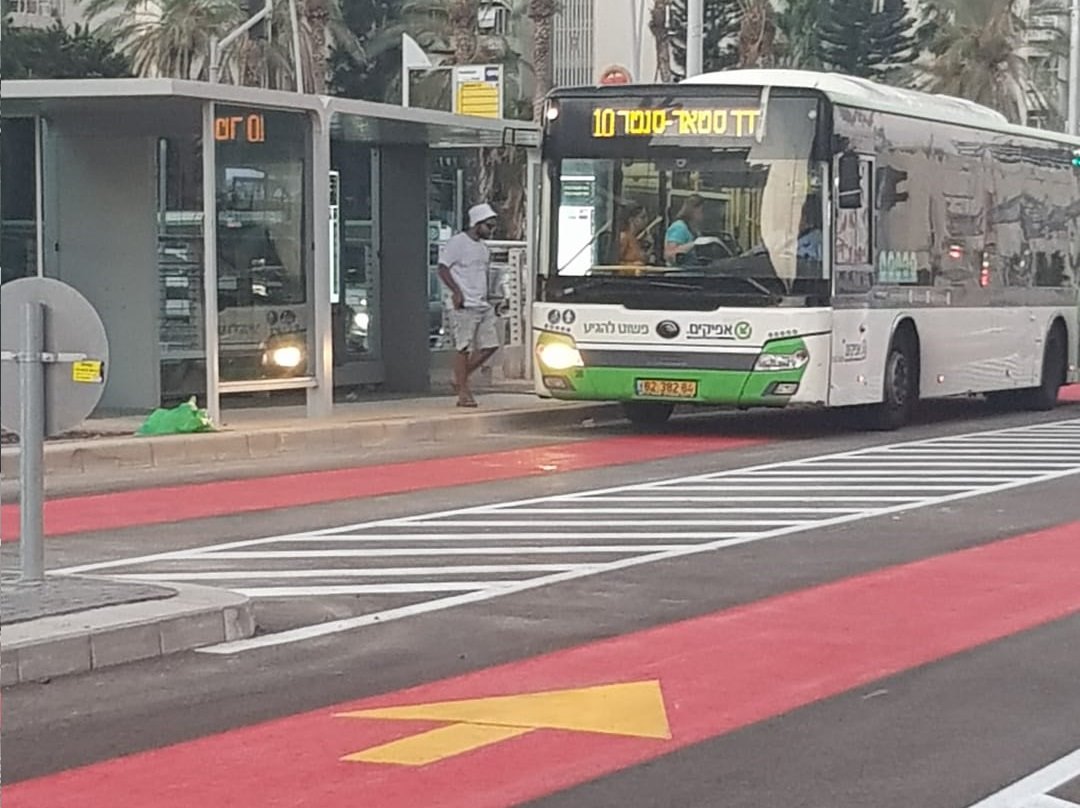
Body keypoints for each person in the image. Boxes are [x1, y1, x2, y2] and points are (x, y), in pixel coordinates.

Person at [437, 203, 501, 408]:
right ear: (477, 224)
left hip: (482, 302)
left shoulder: (483, 249)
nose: (491, 231)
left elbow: (484, 274)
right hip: (464, 303)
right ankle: (463, 391)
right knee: (463, 346)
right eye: (488, 226)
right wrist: (456, 291)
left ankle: (461, 378)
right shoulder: (458, 243)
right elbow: (443, 268)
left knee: (491, 345)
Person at [664, 194, 705, 265]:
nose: (703, 214)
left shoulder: (694, 229)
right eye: (701, 210)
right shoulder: (679, 227)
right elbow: (670, 254)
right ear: (693, 210)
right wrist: (695, 244)